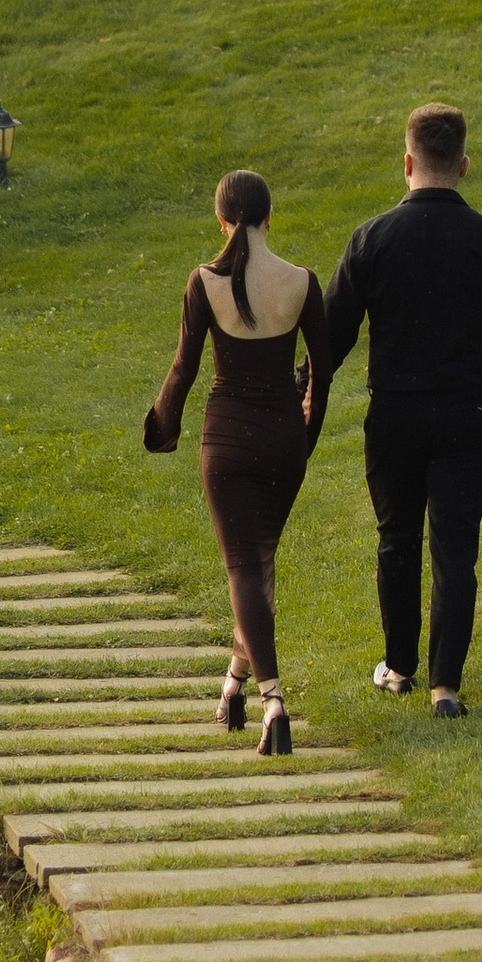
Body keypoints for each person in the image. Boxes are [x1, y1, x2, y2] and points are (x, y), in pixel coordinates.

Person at [324, 102, 482, 719]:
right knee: (455, 548)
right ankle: (446, 686)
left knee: (397, 540)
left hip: (395, 415)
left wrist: (305, 386)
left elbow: (333, 333)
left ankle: (400, 666)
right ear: (463, 164)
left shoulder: (373, 238)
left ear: (407, 162)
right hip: (466, 413)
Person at [144, 167, 330, 758]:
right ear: (270, 217)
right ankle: (235, 686)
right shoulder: (303, 283)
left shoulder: (204, 282)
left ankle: (275, 698)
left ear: (221, 221)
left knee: (244, 569)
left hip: (225, 444)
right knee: (260, 562)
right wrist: (307, 436)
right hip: (283, 441)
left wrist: (162, 425)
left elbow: (184, 368)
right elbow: (321, 374)